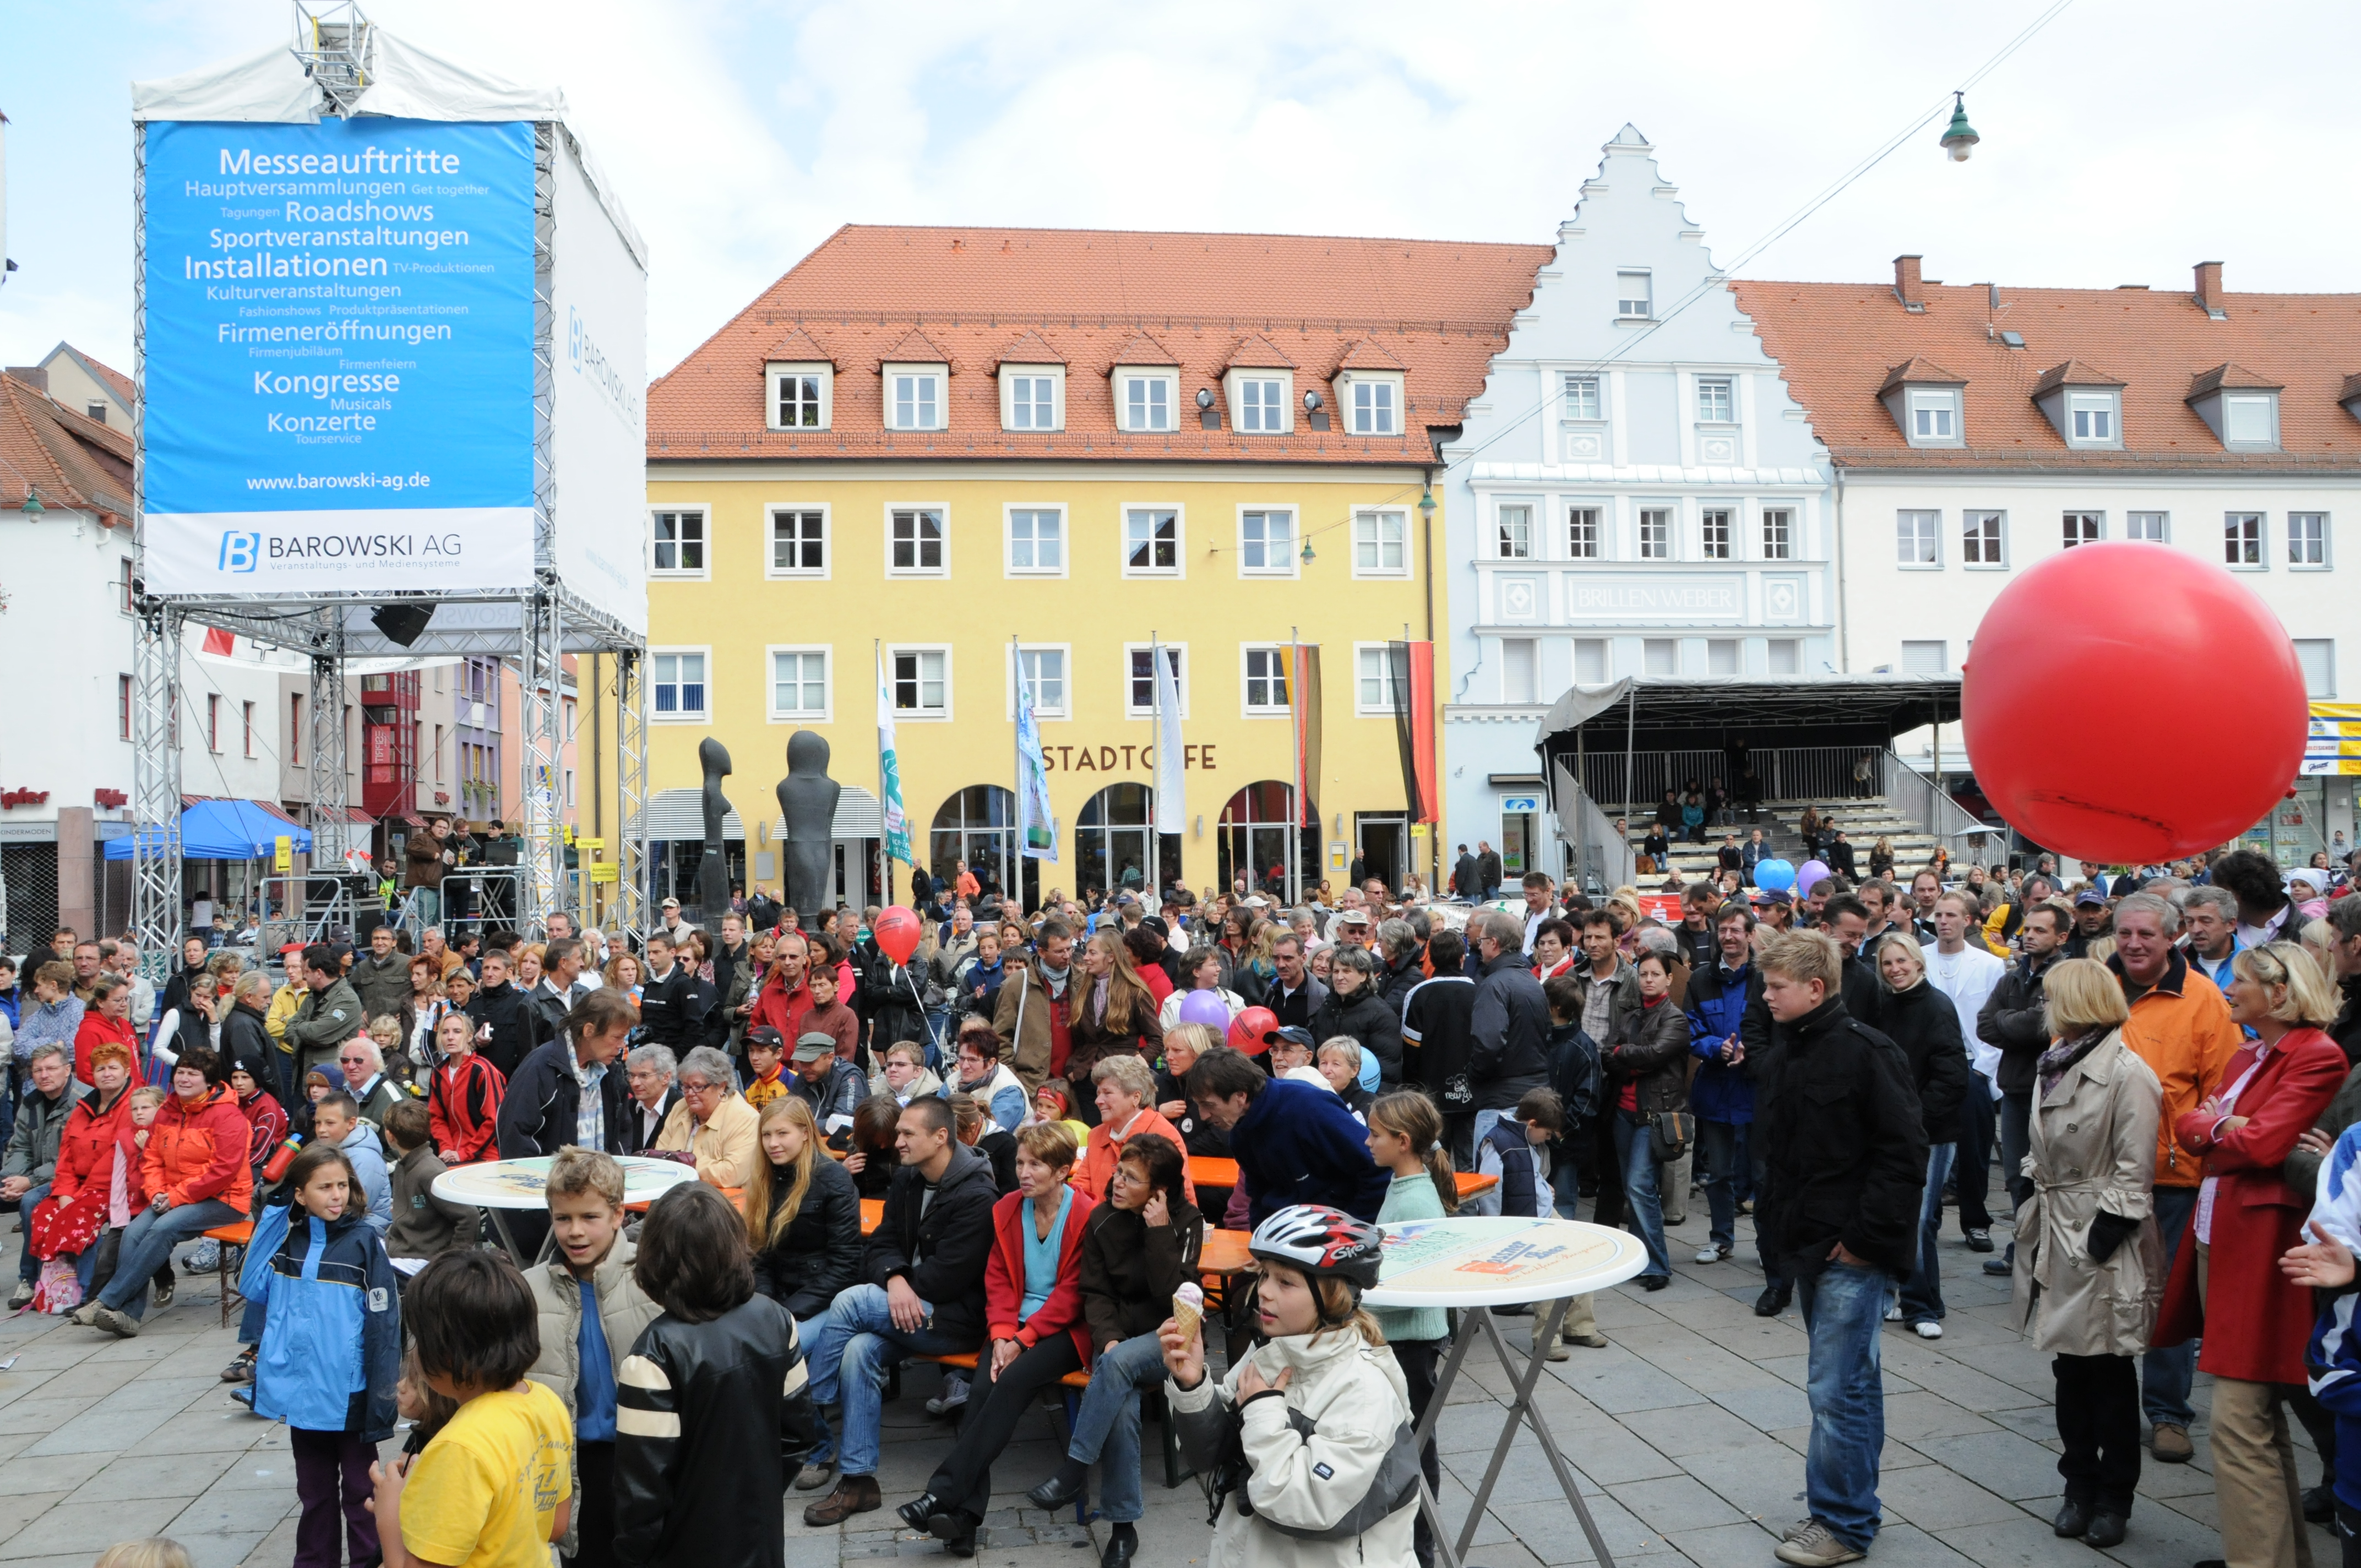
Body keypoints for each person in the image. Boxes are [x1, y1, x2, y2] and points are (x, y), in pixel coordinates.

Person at [2152, 942, 2346, 1567]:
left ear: (2280, 991)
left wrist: (2220, 1128)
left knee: (2239, 1421)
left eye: (2239, 982)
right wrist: (2220, 1128)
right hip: (2224, 1237)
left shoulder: (2315, 1055)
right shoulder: (2249, 1052)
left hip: (2264, 1249)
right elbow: (2191, 1122)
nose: (2228, 990)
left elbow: (2260, 1147)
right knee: (2256, 1417)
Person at [1751, 930, 1928, 1567]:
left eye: (1776, 987)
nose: (1766, 997)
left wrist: (1862, 1243)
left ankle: (1843, 1522)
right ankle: (1849, 1507)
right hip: (1807, 1244)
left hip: (1847, 1250)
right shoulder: (1788, 1050)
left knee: (1836, 1388)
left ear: (1815, 988)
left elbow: (1905, 1155)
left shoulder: (1865, 1052)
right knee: (1852, 1385)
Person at [2003, 959, 2161, 1549]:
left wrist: (2100, 1236)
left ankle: (2114, 1496)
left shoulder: (2126, 1072)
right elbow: (2041, 1145)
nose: (2044, 1009)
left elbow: (2133, 1168)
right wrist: (2027, 1185)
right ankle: (2077, 1485)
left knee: (2109, 1370)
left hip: (2100, 1236)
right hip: (2055, 1226)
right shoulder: (2056, 1062)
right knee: (2069, 1369)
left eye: (2050, 998)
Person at [1163, 1204, 1418, 1568]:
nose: (1264, 1291)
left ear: (1332, 1295)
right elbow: (1208, 1455)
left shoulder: (1362, 1390)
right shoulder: (1271, 1351)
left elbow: (1309, 1505)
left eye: (1286, 1282)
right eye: (1264, 1275)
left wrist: (1264, 1413)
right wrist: (1193, 1386)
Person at [896, 1123, 1096, 1554]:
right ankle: (962, 1520)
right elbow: (1000, 1281)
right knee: (982, 1392)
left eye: (1035, 1165)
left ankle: (942, 1492)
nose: (1023, 1172)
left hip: (1063, 1331)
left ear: (1063, 1172)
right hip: (1010, 1327)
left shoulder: (1085, 1214)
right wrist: (1004, 1334)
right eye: (1021, 1162)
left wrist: (1023, 1339)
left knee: (1011, 1381)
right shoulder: (1007, 1208)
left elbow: (1073, 1294)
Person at [800, 1096, 1000, 1520]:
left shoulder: (978, 1194)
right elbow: (880, 1244)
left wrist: (901, 1284)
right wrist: (895, 1279)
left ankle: (811, 1404)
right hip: (906, 1306)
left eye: (908, 1133)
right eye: (899, 1133)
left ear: (941, 1137)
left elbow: (950, 1277)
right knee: (858, 1352)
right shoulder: (909, 1178)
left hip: (955, 1320)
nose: (898, 1141)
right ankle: (859, 1482)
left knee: (851, 1300)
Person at [2107, 891, 2243, 1466]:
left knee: (2164, 1300)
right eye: (2125, 934)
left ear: (2171, 938)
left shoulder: (2203, 998)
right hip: (2102, 1173)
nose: (2134, 944)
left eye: (2146, 934)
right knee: (2104, 1292)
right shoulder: (2097, 987)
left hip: (2172, 1174)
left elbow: (2223, 1091)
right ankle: (2108, 1406)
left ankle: (2166, 1412)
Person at [1024, 1131, 1203, 1558]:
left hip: (1173, 1337)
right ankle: (1123, 1529)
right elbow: (1096, 1294)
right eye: (1119, 1173)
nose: (1117, 1183)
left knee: (1118, 1366)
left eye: (1131, 1179)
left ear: (1159, 1192)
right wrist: (1107, 1341)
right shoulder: (1103, 1218)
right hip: (1118, 1341)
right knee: (1121, 1406)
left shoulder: (1187, 1221)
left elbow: (1175, 1300)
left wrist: (1159, 1234)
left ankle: (1073, 1470)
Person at [244, 1141, 400, 1568]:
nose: (337, 1195)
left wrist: (382, 1392)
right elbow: (251, 1285)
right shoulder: (287, 1241)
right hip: (302, 1395)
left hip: (350, 1393)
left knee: (359, 1492)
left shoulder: (365, 1243)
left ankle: (371, 1561)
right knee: (313, 1494)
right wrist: (275, 1209)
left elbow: (386, 1326)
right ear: (300, 1194)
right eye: (324, 1187)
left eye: (342, 1185)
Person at [371, 1250, 574, 1568]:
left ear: (447, 1353)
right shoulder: (547, 1402)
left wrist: (390, 1514)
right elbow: (556, 1525)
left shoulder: (458, 1447)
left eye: (419, 1340)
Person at [520, 1147, 661, 1568]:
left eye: (589, 1217)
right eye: (563, 1219)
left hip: (644, 1456)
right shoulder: (529, 1291)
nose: (575, 1232)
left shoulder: (652, 1279)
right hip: (572, 1462)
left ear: (618, 1215)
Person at [76, 1046, 251, 1336]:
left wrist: (175, 1197)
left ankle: (106, 1300)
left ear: (209, 1082)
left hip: (224, 1199)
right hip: (171, 1196)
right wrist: (157, 1190)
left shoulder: (227, 1116)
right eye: (180, 1072)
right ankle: (129, 1317)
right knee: (132, 1232)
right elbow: (152, 1158)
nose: (183, 1079)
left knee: (162, 1229)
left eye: (192, 1074)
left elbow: (223, 1172)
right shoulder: (167, 1111)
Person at [1873, 934, 1967, 1340]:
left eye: (1901, 961)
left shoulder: (1937, 1007)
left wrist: (1916, 1121)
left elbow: (1951, 1076)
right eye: (1888, 963)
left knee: (1922, 1218)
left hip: (1930, 1132)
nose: (1895, 969)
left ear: (1918, 962)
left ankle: (1920, 1306)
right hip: (1893, 1130)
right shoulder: (1885, 1005)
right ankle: (1915, 1295)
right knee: (1900, 1214)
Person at [1976, 899, 2073, 1280]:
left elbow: (2047, 1026)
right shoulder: (2012, 977)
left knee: (2051, 1178)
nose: (2028, 936)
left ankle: (2050, 1258)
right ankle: (2022, 1251)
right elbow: (1985, 1024)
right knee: (2018, 1177)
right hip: (2017, 1091)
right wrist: (2017, 1023)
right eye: (2027, 929)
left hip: (2053, 1094)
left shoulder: (2064, 975)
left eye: (2039, 931)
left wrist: (2010, 1023)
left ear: (2062, 936)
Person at [1186, 1045, 1389, 1225]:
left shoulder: (1308, 1107)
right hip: (1286, 1239)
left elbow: (1378, 1167)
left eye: (1209, 1105)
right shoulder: (1240, 1133)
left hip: (1337, 1237)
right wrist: (1262, 1243)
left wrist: (1352, 1228)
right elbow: (1258, 1194)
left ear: (1241, 1095)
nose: (1203, 1116)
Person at [1601, 950, 1687, 1290]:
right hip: (1623, 1111)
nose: (1648, 980)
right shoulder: (1631, 1016)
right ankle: (1640, 1260)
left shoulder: (1675, 1018)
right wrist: (1629, 1057)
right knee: (1632, 1188)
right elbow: (1608, 1054)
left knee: (1640, 1186)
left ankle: (1658, 1266)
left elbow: (1654, 1055)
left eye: (1655, 974)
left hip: (1654, 1114)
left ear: (1669, 979)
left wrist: (1627, 1055)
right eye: (1643, 974)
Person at [1687, 901, 1765, 1270]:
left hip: (1757, 1090)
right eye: (1723, 930)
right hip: (1716, 1088)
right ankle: (1721, 1239)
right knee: (1718, 1173)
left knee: (1764, 1174)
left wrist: (1753, 1050)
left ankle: (1769, 1241)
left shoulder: (1765, 977)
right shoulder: (1701, 979)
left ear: (1750, 935)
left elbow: (1777, 1025)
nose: (1728, 936)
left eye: (1736, 930)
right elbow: (1690, 1029)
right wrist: (1717, 1047)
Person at [744, 1096, 863, 1325]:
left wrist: (787, 1313)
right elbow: (760, 1258)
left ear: (806, 1133)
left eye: (782, 1133)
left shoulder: (833, 1178)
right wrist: (767, 1306)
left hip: (822, 1299)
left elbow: (845, 1267)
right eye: (766, 1135)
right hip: (778, 1297)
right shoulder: (764, 1179)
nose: (772, 1143)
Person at [1468, 909, 1555, 1151]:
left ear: (1493, 944)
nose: (1479, 946)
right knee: (1526, 1180)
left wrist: (1473, 1074)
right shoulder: (1531, 980)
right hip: (1533, 1096)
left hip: (1501, 1102)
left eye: (1482, 941)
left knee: (1493, 1184)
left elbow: (1488, 1045)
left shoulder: (1494, 985)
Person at [1075, 1053, 1195, 1204]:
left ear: (1136, 1097)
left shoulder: (1163, 1136)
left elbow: (1181, 1201)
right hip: (1100, 1225)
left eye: (1107, 1093)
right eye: (1098, 1093)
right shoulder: (1096, 1136)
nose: (1098, 1101)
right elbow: (1080, 1193)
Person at [1401, 930, 1479, 1166]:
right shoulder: (1480, 992)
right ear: (1462, 958)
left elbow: (1410, 1048)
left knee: (1434, 1164)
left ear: (1431, 960)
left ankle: (1436, 1203)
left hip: (1430, 1098)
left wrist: (1412, 1091)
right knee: (1469, 1166)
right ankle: (1466, 1204)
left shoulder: (1418, 994)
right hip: (1472, 1095)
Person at [380, 1098, 480, 1272]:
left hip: (418, 1260)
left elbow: (469, 1215)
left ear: (390, 1136)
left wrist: (449, 1262)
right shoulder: (404, 1164)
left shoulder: (430, 1172)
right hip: (398, 1247)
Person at [655, 1046, 760, 1189]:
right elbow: (659, 1160)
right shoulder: (681, 1108)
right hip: (675, 1196)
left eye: (698, 1087)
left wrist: (683, 1163)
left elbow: (731, 1175)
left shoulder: (745, 1118)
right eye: (686, 1086)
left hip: (722, 1203)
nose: (690, 1093)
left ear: (721, 1086)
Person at [994, 918, 1076, 1096]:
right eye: (1059, 951)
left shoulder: (1081, 979)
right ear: (1041, 952)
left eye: (1069, 949)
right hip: (1032, 1086)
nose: (1067, 956)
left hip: (1072, 1085)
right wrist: (1014, 1079)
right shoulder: (1017, 984)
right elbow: (1001, 1036)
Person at [1309, 945, 1405, 1090]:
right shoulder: (1327, 1007)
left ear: (1363, 976)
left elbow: (1387, 1073)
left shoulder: (1381, 1015)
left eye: (1347, 971)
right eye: (1336, 971)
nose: (1339, 977)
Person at [426, 1011, 507, 1166]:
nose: (450, 1037)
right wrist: (446, 1148)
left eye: (457, 1031)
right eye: (445, 1032)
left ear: (470, 1037)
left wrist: (465, 1153)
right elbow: (436, 1117)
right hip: (451, 1155)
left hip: (486, 1156)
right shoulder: (438, 1072)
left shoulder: (482, 1070)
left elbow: (494, 1120)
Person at [284, 946, 365, 1084]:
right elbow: (288, 1032)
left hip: (329, 1080)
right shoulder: (313, 996)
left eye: (307, 972)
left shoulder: (346, 999)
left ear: (319, 973)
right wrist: (305, 1031)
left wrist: (301, 1028)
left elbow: (317, 1033)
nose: (304, 976)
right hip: (304, 1075)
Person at [945, 1021, 1029, 1131]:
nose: (964, 1066)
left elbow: (990, 1134)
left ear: (991, 1063)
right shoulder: (953, 1080)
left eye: (973, 1060)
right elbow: (934, 1117)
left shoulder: (1009, 1091)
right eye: (961, 1058)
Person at [620, 1044, 681, 1157]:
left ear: (666, 1077)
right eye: (632, 1075)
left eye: (644, 1075)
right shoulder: (628, 1108)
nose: (635, 1083)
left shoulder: (682, 1109)